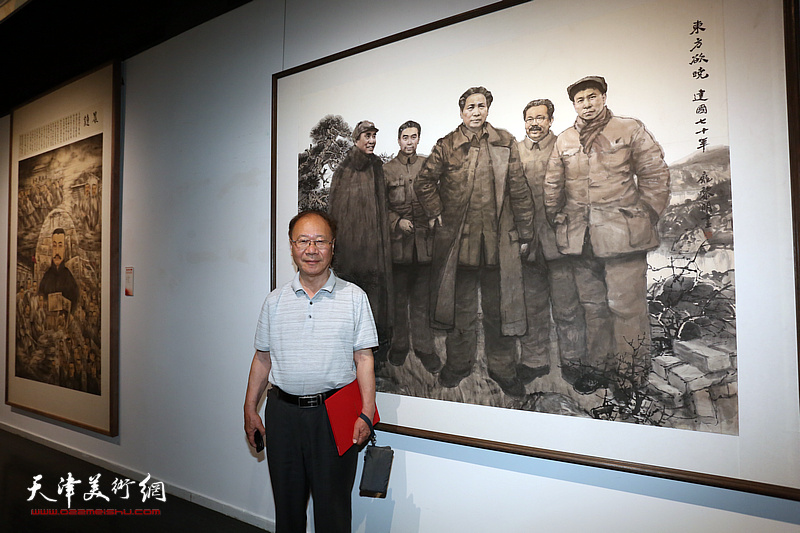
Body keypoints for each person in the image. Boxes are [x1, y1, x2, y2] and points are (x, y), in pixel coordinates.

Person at [243, 210, 377, 533]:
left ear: (333, 246)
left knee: (333, 514)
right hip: (283, 416)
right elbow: (262, 359)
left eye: (320, 241)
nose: (311, 249)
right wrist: (249, 408)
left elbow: (364, 359)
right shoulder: (274, 303)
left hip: (334, 418)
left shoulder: (355, 298)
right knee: (288, 513)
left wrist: (367, 413)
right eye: (303, 241)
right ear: (291, 247)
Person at [543, 76, 670, 394]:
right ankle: (597, 369)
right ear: (574, 105)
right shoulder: (565, 139)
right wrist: (557, 217)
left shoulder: (629, 128)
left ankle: (630, 375)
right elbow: (552, 185)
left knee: (626, 307)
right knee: (593, 308)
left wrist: (643, 217)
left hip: (623, 238)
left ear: (603, 97)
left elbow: (655, 174)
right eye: (580, 100)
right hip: (580, 240)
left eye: (592, 97)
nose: (587, 104)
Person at [415, 87, 535, 398]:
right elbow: (424, 181)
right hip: (460, 246)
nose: (476, 112)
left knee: (500, 311)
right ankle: (458, 365)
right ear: (461, 112)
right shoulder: (447, 145)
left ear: (488, 109)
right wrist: (435, 212)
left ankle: (504, 370)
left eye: (481, 106)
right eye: (470, 107)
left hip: (499, 246)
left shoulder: (505, 141)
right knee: (461, 311)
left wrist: (525, 232)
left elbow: (520, 189)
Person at [517, 99, 587, 384]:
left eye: (540, 118)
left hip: (560, 243)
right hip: (527, 246)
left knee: (567, 307)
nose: (534, 123)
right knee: (531, 308)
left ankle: (573, 363)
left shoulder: (565, 147)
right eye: (529, 118)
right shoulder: (515, 152)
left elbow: (579, 189)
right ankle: (535, 362)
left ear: (550, 121)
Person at [327, 120, 393, 363]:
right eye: (367, 135)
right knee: (351, 311)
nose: (372, 140)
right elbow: (334, 213)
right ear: (356, 139)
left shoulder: (377, 166)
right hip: (352, 257)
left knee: (376, 307)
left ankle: (376, 363)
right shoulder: (344, 169)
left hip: (376, 253)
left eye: (374, 135)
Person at [383, 120, 441, 373]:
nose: (409, 141)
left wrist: (433, 213)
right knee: (397, 302)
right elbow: (380, 208)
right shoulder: (386, 171)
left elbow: (438, 197)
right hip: (398, 249)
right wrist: (396, 221)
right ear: (398, 140)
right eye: (405, 137)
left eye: (413, 137)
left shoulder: (428, 165)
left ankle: (425, 349)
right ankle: (399, 346)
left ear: (419, 139)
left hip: (424, 247)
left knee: (422, 302)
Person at [38, 228, 79, 315]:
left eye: (60, 246)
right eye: (54, 246)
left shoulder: (70, 279)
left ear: (64, 248)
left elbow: (75, 306)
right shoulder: (45, 278)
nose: (57, 251)